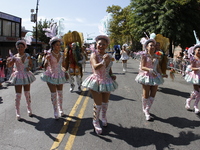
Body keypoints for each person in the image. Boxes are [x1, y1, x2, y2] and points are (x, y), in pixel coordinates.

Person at [82, 35, 118, 135]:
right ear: (96, 45)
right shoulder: (94, 55)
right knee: (98, 104)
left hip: (107, 81)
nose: (101, 46)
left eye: (103, 44)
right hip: (96, 81)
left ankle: (103, 117)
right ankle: (95, 121)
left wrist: (112, 74)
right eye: (99, 44)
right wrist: (103, 61)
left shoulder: (108, 56)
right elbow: (95, 67)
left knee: (105, 103)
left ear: (106, 45)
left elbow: (109, 68)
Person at [135, 39, 164, 121]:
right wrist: (150, 70)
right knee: (146, 95)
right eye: (150, 45)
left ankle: (147, 109)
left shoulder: (156, 56)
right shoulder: (144, 55)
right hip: (146, 76)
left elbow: (158, 67)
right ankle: (145, 109)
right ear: (147, 47)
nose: (152, 47)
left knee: (153, 94)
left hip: (155, 77)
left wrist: (162, 74)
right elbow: (142, 67)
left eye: (154, 46)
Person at [7, 40, 36, 120]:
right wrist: (9, 61)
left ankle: (29, 109)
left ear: (24, 47)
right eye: (19, 47)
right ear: (17, 48)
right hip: (18, 75)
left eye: (22, 47)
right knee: (18, 95)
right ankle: (17, 112)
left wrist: (29, 68)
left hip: (26, 75)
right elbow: (9, 65)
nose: (20, 48)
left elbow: (31, 64)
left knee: (27, 94)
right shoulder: (14, 56)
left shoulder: (27, 55)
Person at [41, 37, 67, 119]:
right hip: (51, 75)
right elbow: (45, 67)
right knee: (53, 94)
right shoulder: (49, 54)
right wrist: (46, 60)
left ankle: (61, 109)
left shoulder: (62, 54)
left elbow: (63, 65)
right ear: (53, 46)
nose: (59, 46)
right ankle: (55, 110)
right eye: (57, 45)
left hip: (60, 75)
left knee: (60, 93)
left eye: (59, 45)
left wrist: (65, 70)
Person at [184, 44, 200, 114]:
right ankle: (192, 103)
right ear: (195, 50)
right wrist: (198, 68)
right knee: (197, 92)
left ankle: (193, 103)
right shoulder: (193, 58)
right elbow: (192, 68)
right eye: (198, 50)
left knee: (199, 93)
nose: (199, 51)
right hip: (195, 75)